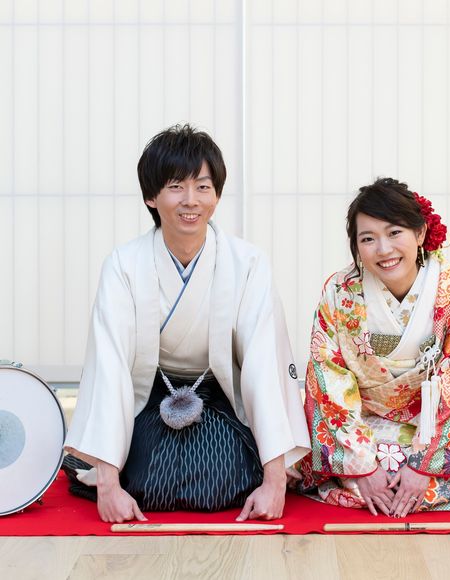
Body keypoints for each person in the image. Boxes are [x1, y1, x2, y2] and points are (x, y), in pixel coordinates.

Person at [63, 124, 310, 523]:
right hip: (148, 393)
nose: (191, 200)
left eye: (203, 187)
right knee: (145, 482)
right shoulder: (124, 265)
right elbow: (110, 366)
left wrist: (275, 479)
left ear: (217, 194)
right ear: (151, 196)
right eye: (176, 186)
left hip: (219, 393)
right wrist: (108, 484)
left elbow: (264, 363)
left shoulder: (247, 263)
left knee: (225, 479)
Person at [298, 178, 450, 517]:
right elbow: (328, 378)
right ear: (356, 246)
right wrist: (363, 465)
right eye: (368, 238)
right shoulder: (339, 292)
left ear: (420, 233)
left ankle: (417, 477)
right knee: (371, 472)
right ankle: (370, 476)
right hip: (366, 416)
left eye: (395, 233)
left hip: (436, 421)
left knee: (438, 470)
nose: (383, 249)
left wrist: (425, 465)